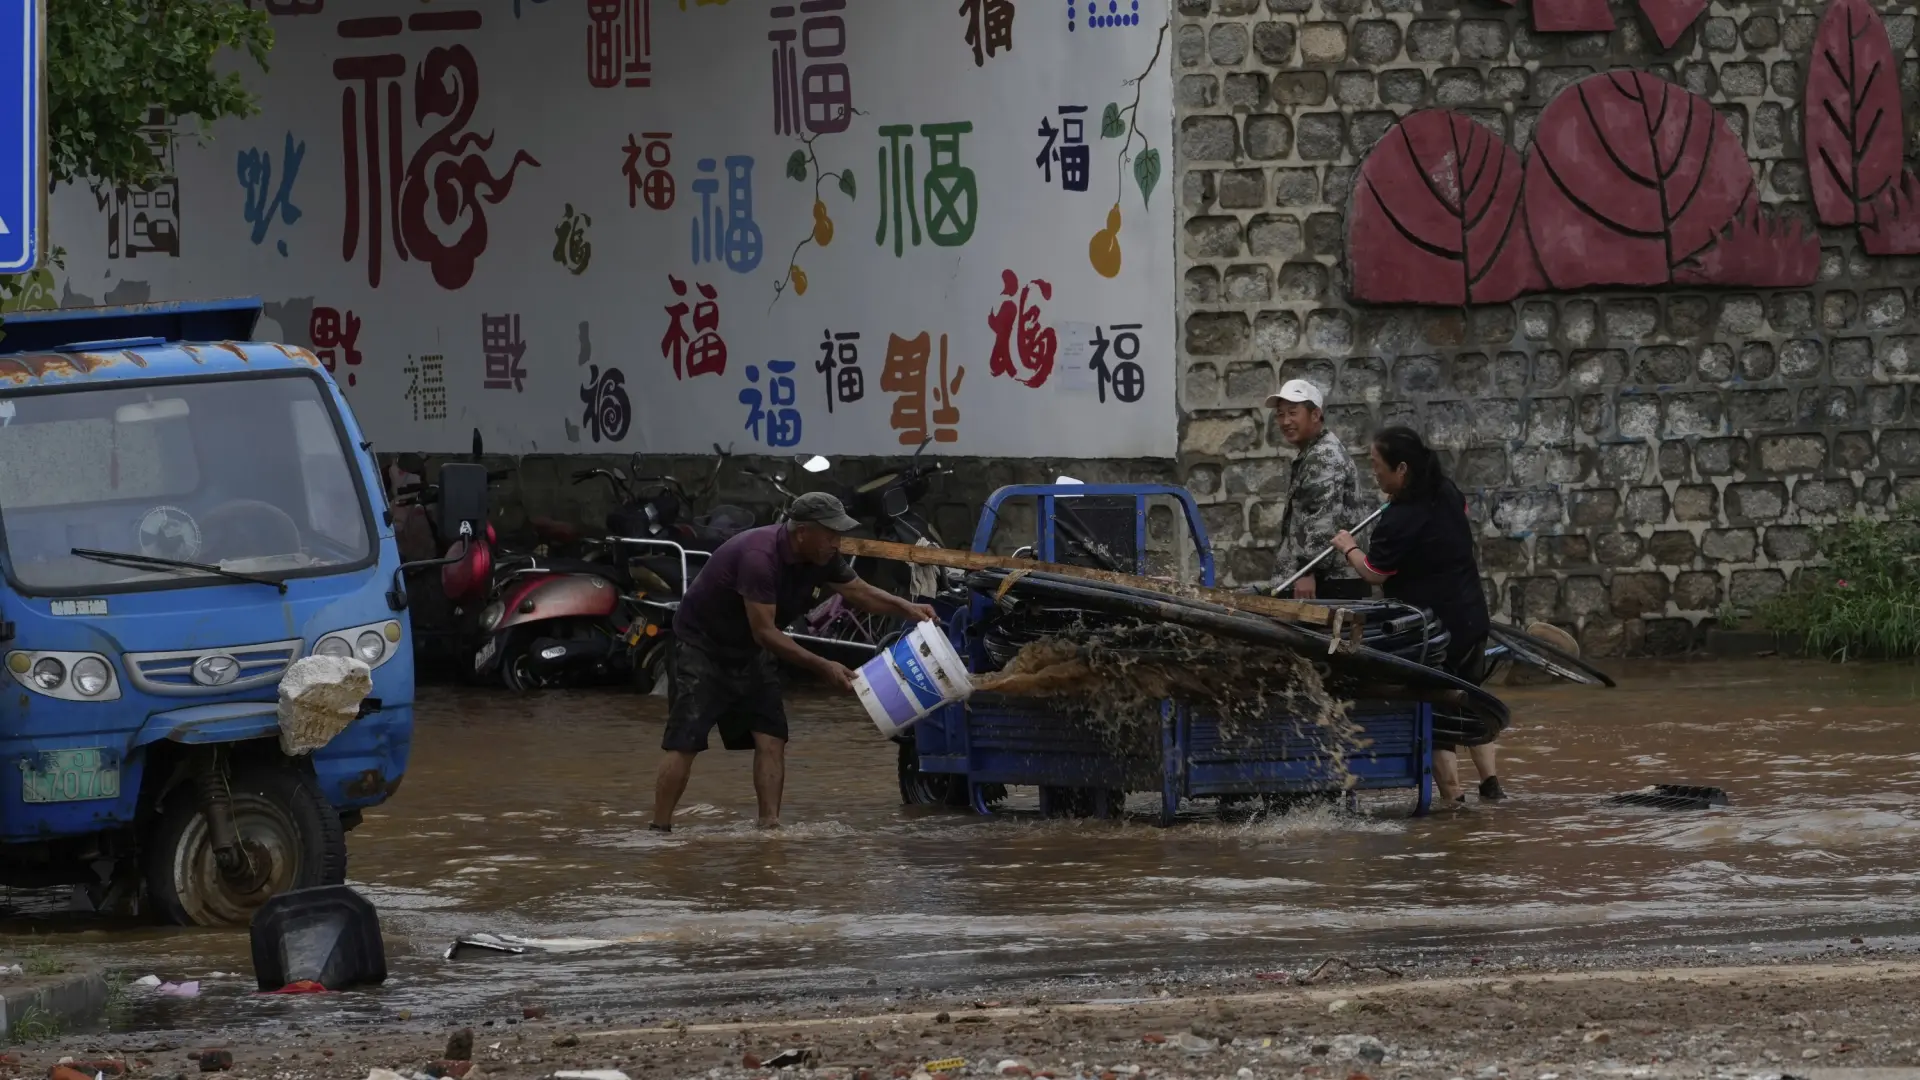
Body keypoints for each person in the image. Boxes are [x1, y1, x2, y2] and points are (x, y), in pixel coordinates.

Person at [651, 492, 937, 831]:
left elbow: (860, 592)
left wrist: (909, 609)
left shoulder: (822, 556)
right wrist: (824, 665)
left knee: (772, 736)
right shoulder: (759, 558)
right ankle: (659, 831)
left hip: (749, 651)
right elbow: (765, 633)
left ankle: (769, 829)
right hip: (701, 647)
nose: (837, 542)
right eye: (831, 534)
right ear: (802, 532)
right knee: (685, 741)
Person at [1328, 426, 1506, 804]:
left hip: (1433, 631)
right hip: (1472, 616)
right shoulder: (1447, 491)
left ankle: (1453, 801)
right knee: (1470, 698)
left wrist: (1348, 546)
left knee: (1435, 712)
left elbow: (1374, 573)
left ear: (1402, 469)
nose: (1374, 473)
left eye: (1377, 466)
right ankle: (1491, 785)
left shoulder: (1399, 519)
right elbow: (1459, 515)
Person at [1265, 379, 1366, 601]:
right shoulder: (1315, 451)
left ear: (1315, 415)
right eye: (1280, 414)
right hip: (1326, 578)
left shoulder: (1323, 456)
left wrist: (1307, 570)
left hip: (1328, 580)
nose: (1285, 421)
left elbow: (1323, 518)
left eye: (1293, 413)